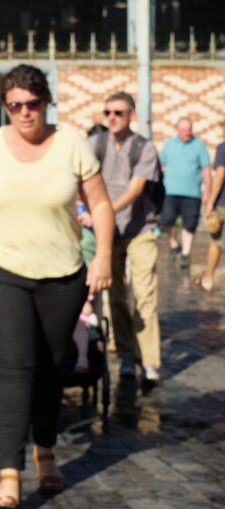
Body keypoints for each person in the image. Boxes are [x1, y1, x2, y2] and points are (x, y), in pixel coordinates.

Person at [0, 64, 114, 509]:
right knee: (15, 366)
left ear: (45, 102)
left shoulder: (72, 143)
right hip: (0, 269)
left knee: (52, 368)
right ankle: (9, 475)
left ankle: (46, 451)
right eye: (14, 105)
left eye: (32, 104)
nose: (24, 113)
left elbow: (100, 203)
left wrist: (102, 258)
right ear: (5, 107)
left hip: (63, 275)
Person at [83, 91, 163, 383]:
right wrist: (87, 210)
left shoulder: (144, 148)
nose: (112, 118)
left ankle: (151, 360)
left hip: (139, 229)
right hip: (109, 232)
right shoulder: (95, 144)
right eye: (107, 113)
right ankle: (127, 356)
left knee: (144, 294)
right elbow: (78, 177)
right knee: (116, 295)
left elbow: (135, 190)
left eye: (118, 112)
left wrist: (101, 210)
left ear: (131, 115)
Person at [159, 117, 211, 271]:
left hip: (192, 193)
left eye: (189, 130)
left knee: (190, 224)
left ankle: (186, 254)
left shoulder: (199, 146)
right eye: (183, 130)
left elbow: (206, 170)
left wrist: (207, 191)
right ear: (177, 130)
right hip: (170, 192)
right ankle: (174, 242)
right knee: (167, 220)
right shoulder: (169, 144)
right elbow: (161, 164)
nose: (186, 133)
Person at [197, 124, 225, 292]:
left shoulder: (223, 147)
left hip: (223, 203)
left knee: (216, 241)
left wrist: (210, 202)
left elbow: (221, 174)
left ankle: (208, 277)